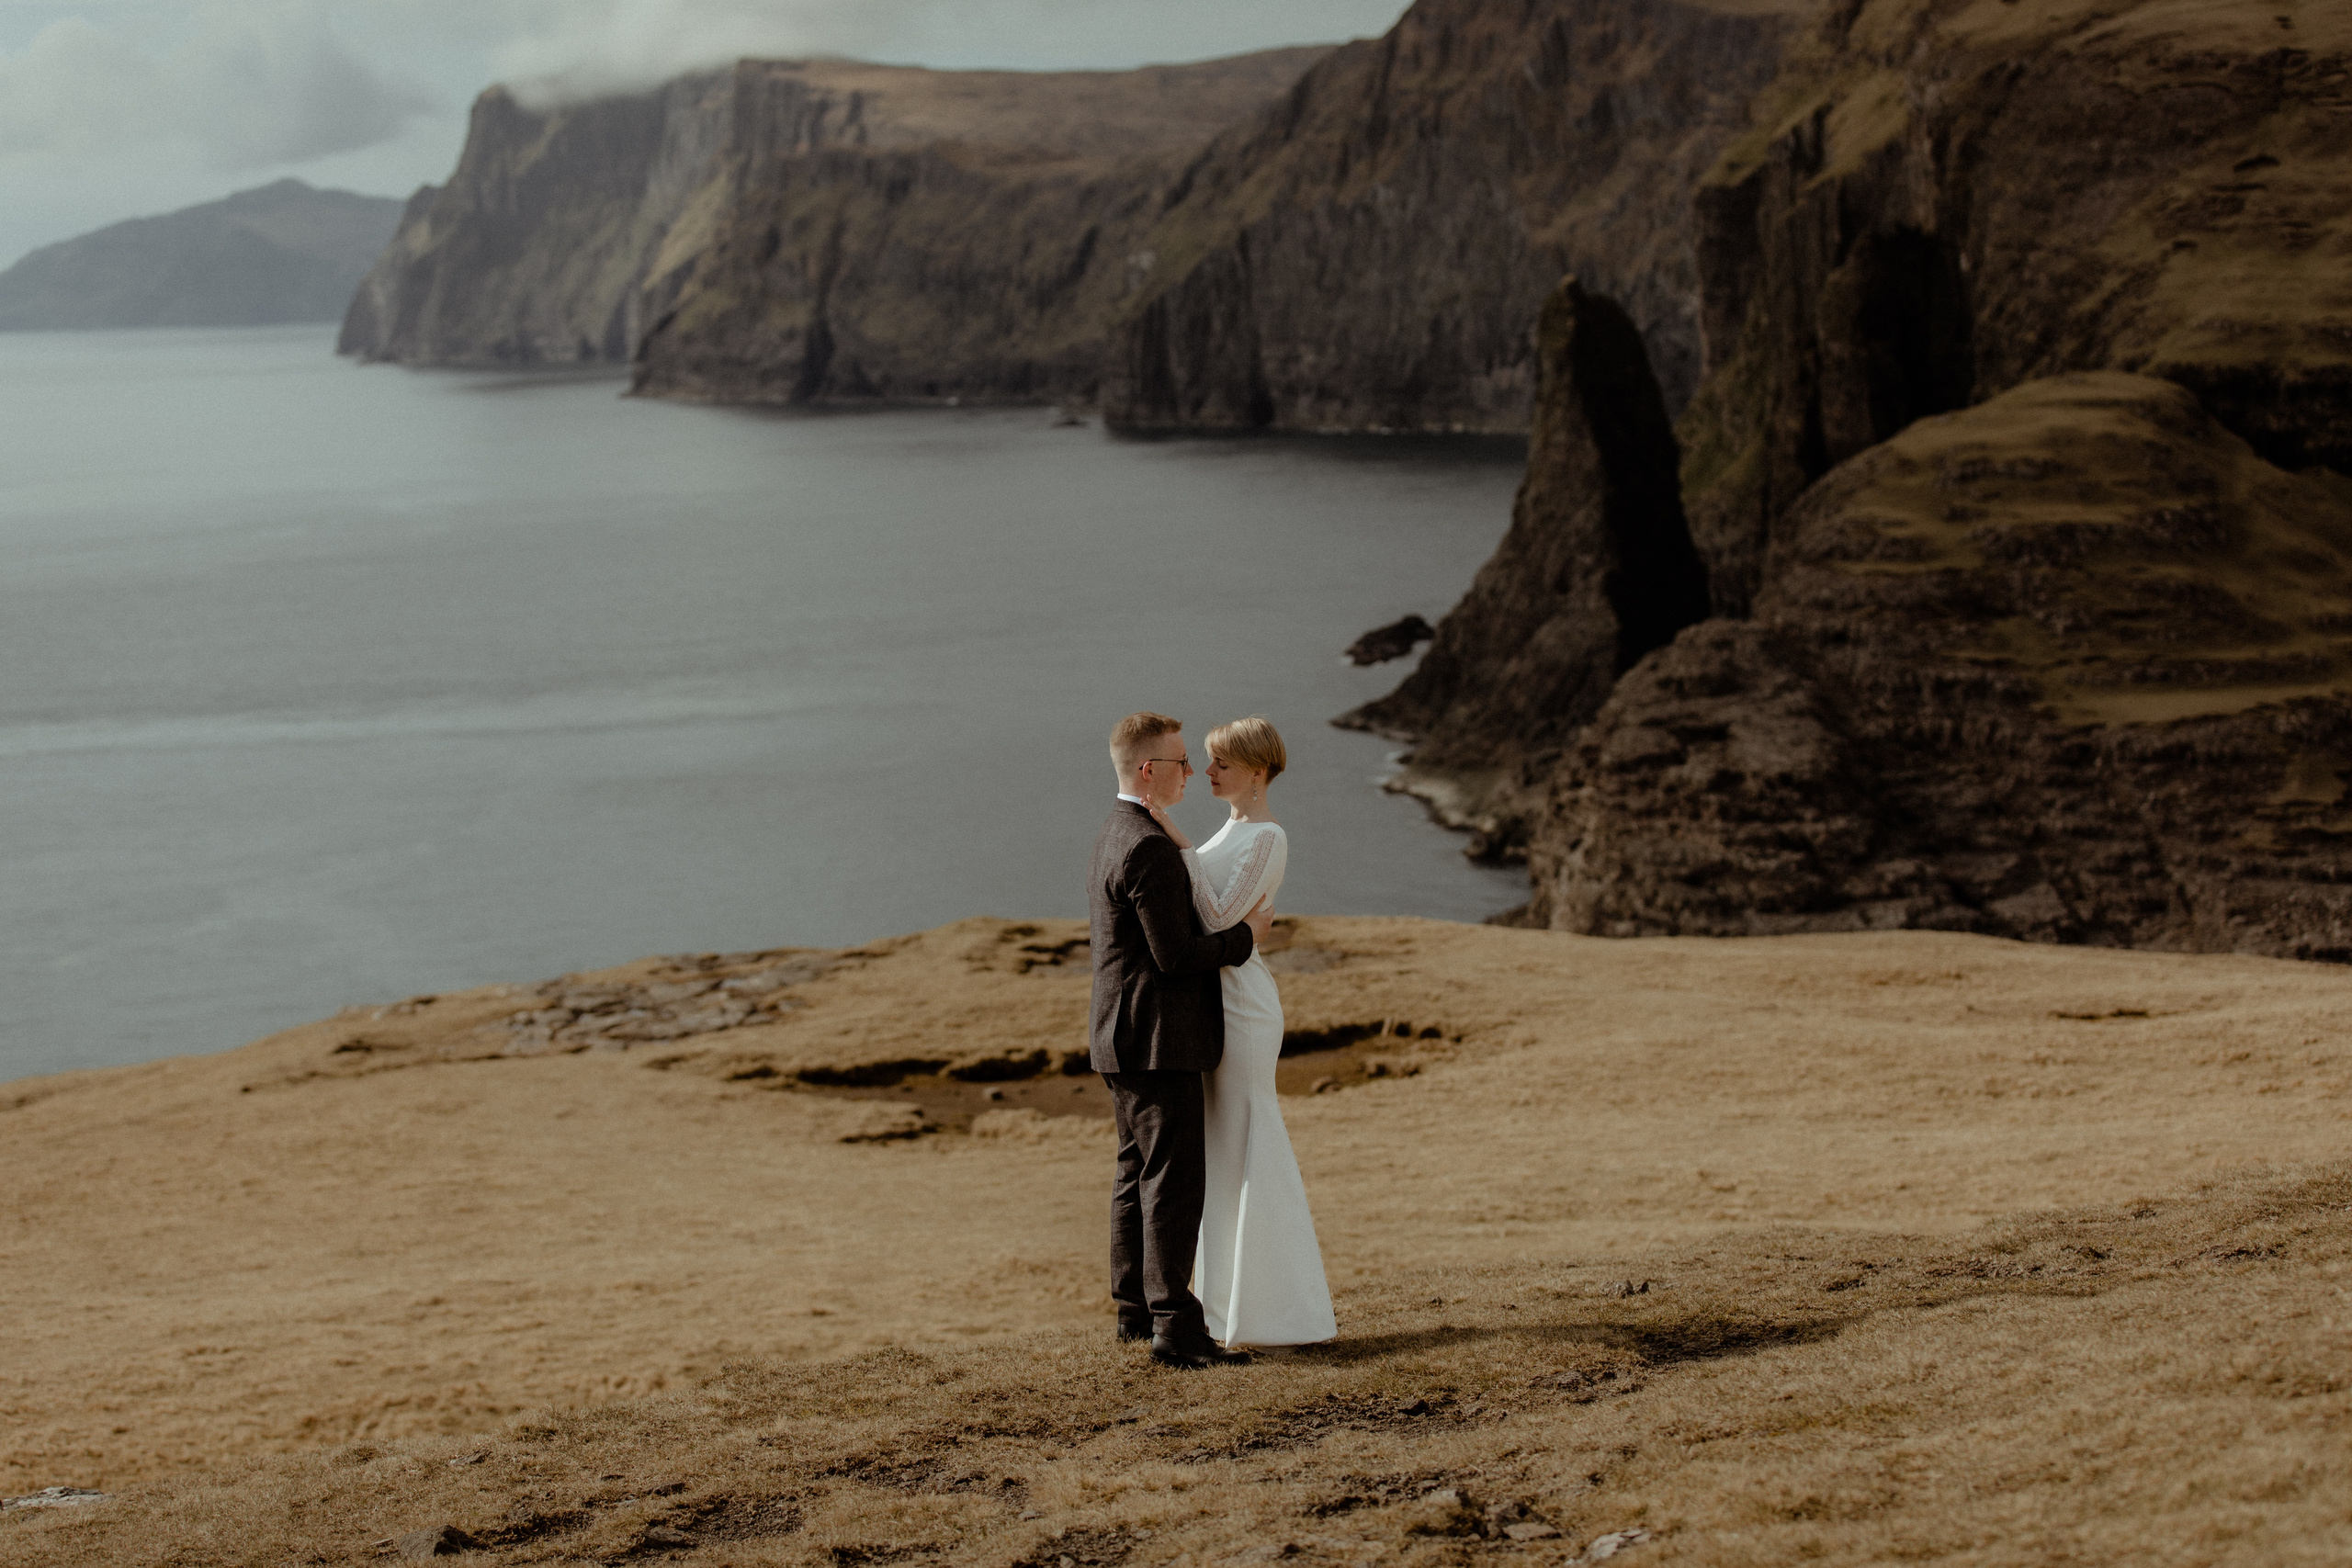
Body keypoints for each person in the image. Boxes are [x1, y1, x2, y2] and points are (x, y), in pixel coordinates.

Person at [1089, 711, 1273, 1370]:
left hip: (1121, 1035)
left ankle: (1135, 1311)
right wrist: (1246, 937)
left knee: (1134, 1171)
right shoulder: (1146, 847)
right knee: (1170, 1179)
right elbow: (1176, 955)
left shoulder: (1118, 829)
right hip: (1157, 1039)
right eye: (1180, 762)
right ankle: (1174, 1326)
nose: (1192, 772)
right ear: (1148, 770)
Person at [1146, 716, 1337, 1348]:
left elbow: (1220, 916)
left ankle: (1282, 1314)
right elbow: (1219, 913)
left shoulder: (1269, 836)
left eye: (1222, 762)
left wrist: (1176, 845)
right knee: (1221, 1154)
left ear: (1257, 770)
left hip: (1244, 1007)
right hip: (1213, 1000)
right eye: (1210, 760)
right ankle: (1229, 1312)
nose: (1209, 771)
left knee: (1253, 1140)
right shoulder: (1230, 828)